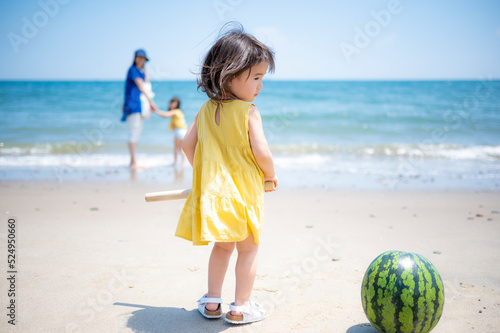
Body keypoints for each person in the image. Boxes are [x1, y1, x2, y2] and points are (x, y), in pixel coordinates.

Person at [175, 25, 278, 325]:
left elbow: (186, 146)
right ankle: (240, 307)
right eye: (256, 77)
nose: (260, 86)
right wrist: (270, 175)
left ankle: (212, 303)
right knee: (248, 249)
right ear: (230, 75)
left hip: (216, 195)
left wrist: (207, 177)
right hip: (244, 195)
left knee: (222, 247)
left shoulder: (205, 110)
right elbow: (261, 152)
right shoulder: (249, 111)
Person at [121, 49, 158, 169]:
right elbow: (141, 87)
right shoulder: (133, 70)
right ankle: (133, 162)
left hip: (139, 106)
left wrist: (145, 70)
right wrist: (151, 102)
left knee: (136, 133)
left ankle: (133, 161)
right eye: (139, 57)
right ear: (135, 58)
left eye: (143, 58)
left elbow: (146, 84)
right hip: (134, 105)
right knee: (133, 133)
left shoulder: (141, 72)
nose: (141, 60)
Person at [153, 96, 187, 165]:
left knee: (176, 148)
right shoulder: (180, 111)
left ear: (177, 104)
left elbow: (165, 115)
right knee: (180, 148)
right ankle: (183, 162)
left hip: (179, 131)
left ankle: (176, 162)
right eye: (171, 103)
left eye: (173, 103)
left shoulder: (175, 111)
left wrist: (156, 111)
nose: (171, 105)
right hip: (184, 131)